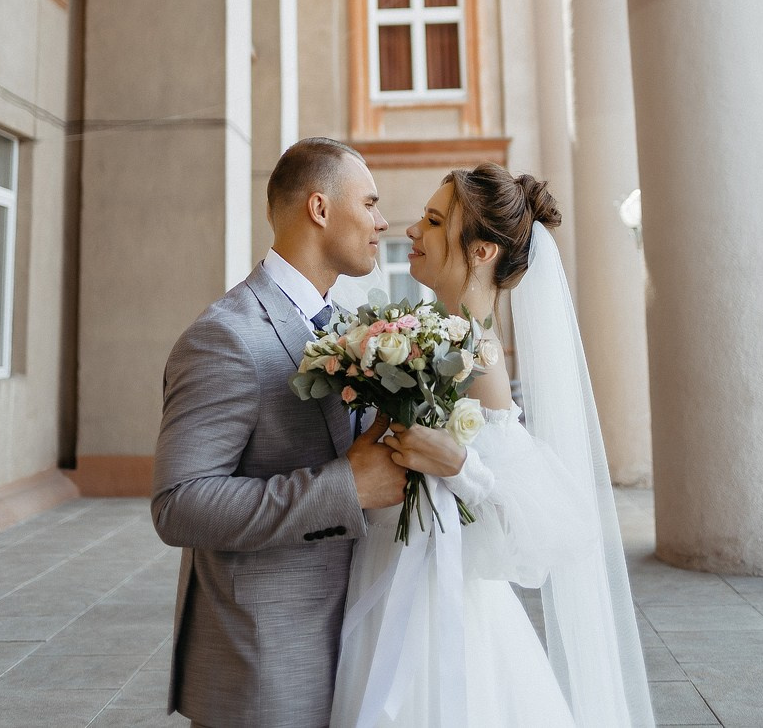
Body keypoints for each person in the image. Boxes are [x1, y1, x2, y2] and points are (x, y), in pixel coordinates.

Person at [330, 163, 655, 728]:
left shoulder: (480, 357)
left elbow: (524, 528)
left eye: (434, 221)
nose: (412, 230)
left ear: (481, 252)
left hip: (433, 601)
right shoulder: (424, 337)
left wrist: (459, 465)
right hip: (384, 570)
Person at [151, 138, 406, 728]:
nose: (382, 221)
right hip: (264, 667)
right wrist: (346, 487)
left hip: (352, 645)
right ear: (319, 209)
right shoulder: (225, 338)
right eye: (369, 204)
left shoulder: (348, 329)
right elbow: (178, 504)